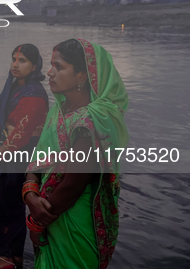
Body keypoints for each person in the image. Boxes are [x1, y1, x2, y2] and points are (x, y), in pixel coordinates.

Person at [24, 39, 129, 269]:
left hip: (73, 220)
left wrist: (36, 222)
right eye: (51, 65)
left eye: (59, 67)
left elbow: (74, 184)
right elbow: (38, 161)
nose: (50, 73)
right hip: (48, 210)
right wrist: (30, 193)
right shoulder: (59, 111)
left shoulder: (90, 122)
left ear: (83, 75)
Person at [0, 44, 49, 269]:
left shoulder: (34, 95)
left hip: (15, 160)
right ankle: (14, 259)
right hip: (12, 157)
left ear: (34, 66)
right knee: (12, 211)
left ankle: (3, 254)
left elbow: (20, 137)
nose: (15, 64)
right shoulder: (17, 87)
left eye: (22, 60)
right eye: (14, 59)